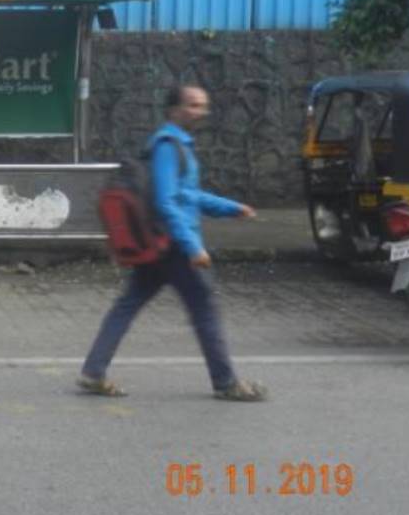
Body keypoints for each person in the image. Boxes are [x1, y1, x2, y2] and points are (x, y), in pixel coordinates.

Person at [78, 85, 268, 402]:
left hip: (160, 244)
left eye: (202, 106)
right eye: (193, 105)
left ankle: (93, 371)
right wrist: (193, 247)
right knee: (204, 310)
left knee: (127, 305)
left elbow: (187, 195)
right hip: (174, 246)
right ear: (174, 110)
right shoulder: (169, 146)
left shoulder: (178, 146)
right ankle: (226, 382)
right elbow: (167, 203)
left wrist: (230, 208)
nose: (200, 112)